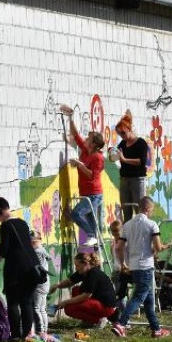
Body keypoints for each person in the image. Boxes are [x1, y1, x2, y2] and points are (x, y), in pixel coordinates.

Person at [110, 196, 172, 338]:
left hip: (133, 266)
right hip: (146, 266)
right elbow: (157, 247)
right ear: (147, 209)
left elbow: (119, 247)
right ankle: (121, 323)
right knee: (138, 296)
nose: (151, 213)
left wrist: (123, 263)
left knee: (149, 299)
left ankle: (156, 329)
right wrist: (164, 246)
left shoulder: (127, 225)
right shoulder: (152, 225)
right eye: (151, 210)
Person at [0, 196, 38, 342]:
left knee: (13, 301)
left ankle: (15, 335)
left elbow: (3, 250)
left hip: (16, 269)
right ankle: (26, 334)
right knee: (26, 301)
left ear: (0, 211)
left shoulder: (6, 226)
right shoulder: (22, 223)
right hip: (32, 267)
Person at [59, 104, 105, 242]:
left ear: (94, 143)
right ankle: (98, 253)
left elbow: (92, 176)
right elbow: (75, 134)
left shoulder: (98, 157)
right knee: (93, 224)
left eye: (89, 138)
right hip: (85, 193)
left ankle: (92, 236)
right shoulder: (85, 150)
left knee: (75, 213)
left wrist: (79, 164)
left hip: (94, 195)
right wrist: (70, 118)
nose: (86, 139)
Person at [50, 252, 119, 328]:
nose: (76, 268)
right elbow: (69, 281)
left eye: (77, 265)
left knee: (69, 308)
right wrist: (57, 285)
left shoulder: (93, 274)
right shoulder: (84, 271)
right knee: (76, 290)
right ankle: (89, 321)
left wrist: (65, 302)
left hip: (106, 308)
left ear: (85, 264)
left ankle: (99, 319)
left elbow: (86, 296)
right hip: (98, 303)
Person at [113, 111, 149, 222]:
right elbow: (116, 154)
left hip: (137, 180)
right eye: (119, 134)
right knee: (126, 210)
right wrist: (112, 154)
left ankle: (141, 234)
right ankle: (127, 237)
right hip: (124, 179)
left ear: (129, 129)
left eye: (123, 133)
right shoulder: (122, 144)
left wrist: (124, 159)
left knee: (139, 210)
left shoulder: (140, 143)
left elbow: (142, 161)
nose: (122, 136)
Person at [29, 229, 53, 341]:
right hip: (45, 282)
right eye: (31, 242)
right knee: (42, 308)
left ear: (38, 241)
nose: (31, 244)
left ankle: (40, 331)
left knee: (36, 308)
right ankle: (45, 330)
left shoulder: (37, 251)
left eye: (33, 242)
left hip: (39, 282)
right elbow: (49, 257)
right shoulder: (42, 249)